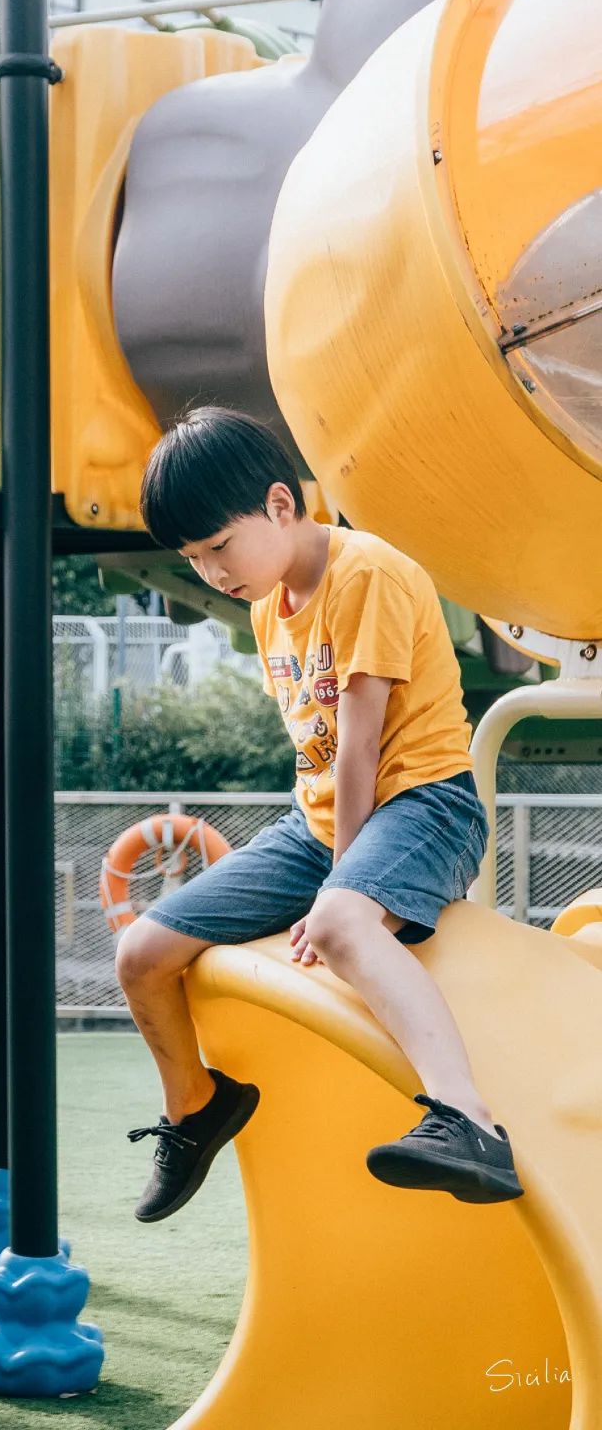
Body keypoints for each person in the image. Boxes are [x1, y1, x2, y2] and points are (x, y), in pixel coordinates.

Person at [118, 405, 523, 1223]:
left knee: (339, 926)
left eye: (218, 547)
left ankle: (468, 1121)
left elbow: (359, 745)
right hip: (324, 820)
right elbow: (315, 752)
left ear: (277, 504)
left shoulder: (364, 572)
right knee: (141, 952)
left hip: (423, 804)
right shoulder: (270, 604)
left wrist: (338, 885)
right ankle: (195, 1105)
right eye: (193, 559)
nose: (212, 573)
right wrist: (321, 854)